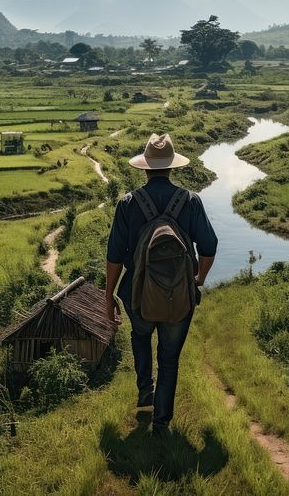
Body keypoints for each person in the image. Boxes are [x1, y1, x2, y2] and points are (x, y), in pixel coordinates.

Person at [105, 133, 217, 432]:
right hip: (180, 294)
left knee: (141, 336)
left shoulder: (127, 204)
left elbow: (114, 256)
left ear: (145, 167)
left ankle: (145, 390)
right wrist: (197, 280)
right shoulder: (191, 201)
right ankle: (161, 422)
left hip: (137, 292)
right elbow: (209, 247)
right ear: (172, 167)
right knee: (169, 358)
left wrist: (108, 297)